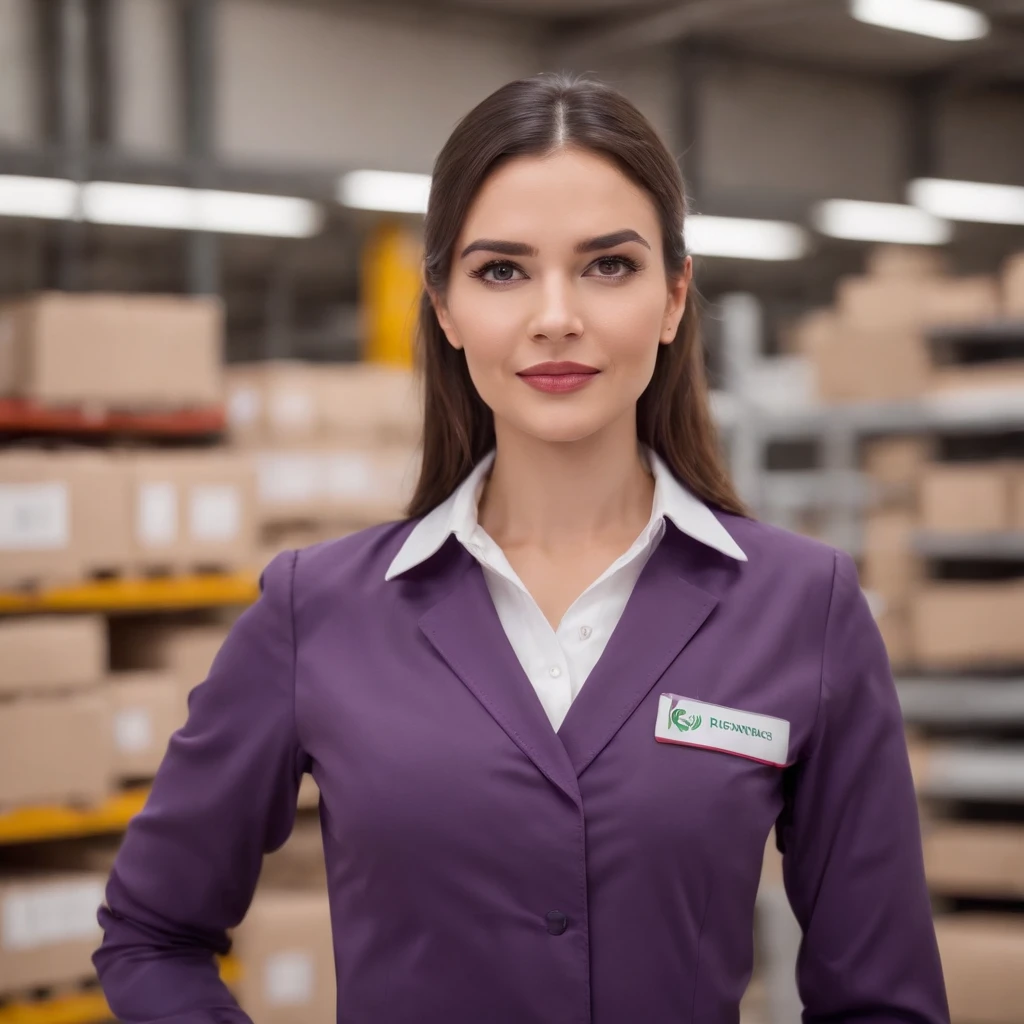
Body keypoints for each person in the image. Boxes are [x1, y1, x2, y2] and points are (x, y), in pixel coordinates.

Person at [94, 72, 948, 1024]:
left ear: (674, 298)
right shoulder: (318, 609)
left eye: (608, 266)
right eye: (502, 270)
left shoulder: (803, 607)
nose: (555, 316)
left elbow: (884, 1002)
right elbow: (152, 932)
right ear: (447, 308)